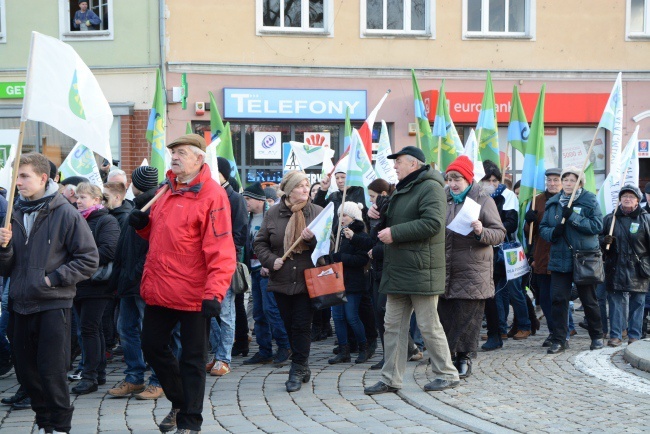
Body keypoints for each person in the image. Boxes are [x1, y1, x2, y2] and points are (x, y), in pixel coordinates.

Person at [130, 134, 236, 433]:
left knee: (192, 360)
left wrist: (215, 292)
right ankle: (179, 402)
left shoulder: (212, 195)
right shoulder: (166, 190)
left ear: (199, 159)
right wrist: (144, 227)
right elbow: (168, 238)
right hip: (161, 287)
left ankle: (190, 421)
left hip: (194, 292)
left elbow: (221, 248)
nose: (174, 156)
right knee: (151, 347)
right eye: (173, 152)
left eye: (181, 152)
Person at [0, 152, 99, 434]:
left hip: (52, 304)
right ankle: (45, 423)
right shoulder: (14, 212)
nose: (18, 182)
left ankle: (59, 426)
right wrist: (4, 248)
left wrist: (52, 279)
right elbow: (6, 268)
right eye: (16, 176)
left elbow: (89, 259)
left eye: (24, 176)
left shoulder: (64, 212)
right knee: (27, 374)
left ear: (43, 178)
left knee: (52, 372)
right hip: (20, 304)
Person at [363, 146, 459, 395]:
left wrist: (394, 233)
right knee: (392, 326)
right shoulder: (404, 187)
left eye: (399, 162)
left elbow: (433, 223)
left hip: (420, 269)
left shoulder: (430, 187)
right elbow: (397, 220)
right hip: (399, 268)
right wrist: (379, 214)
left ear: (414, 164)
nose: (394, 166)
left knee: (428, 325)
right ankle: (390, 378)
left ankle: (447, 373)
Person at [254, 170, 322, 393]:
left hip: (307, 279)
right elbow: (260, 243)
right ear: (289, 190)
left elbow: (328, 248)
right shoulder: (273, 213)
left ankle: (298, 367)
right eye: (300, 186)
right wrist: (270, 260)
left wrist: (313, 241)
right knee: (287, 324)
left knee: (302, 325)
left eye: (307, 185)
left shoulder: (318, 212)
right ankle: (302, 363)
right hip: (281, 278)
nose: (305, 189)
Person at [441, 156, 506, 379]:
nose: (453, 183)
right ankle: (447, 356)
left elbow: (499, 233)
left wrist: (480, 231)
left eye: (457, 178)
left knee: (467, 316)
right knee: (446, 314)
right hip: (447, 267)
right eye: (449, 178)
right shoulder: (444, 197)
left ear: (468, 178)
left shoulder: (483, 199)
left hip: (473, 269)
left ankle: (464, 357)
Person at [107, 166, 165, 400]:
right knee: (127, 328)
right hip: (129, 280)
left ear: (134, 183)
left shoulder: (157, 206)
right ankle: (134, 377)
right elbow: (124, 247)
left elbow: (154, 247)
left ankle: (159, 379)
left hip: (145, 280)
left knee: (152, 333)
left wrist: (136, 274)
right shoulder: (136, 206)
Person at [539, 166, 604, 354]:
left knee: (589, 300)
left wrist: (573, 217)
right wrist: (554, 232)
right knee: (558, 299)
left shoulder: (589, 199)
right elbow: (543, 228)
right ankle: (560, 339)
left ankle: (596, 336)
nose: (568, 183)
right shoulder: (553, 202)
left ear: (580, 183)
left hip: (583, 258)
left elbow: (596, 226)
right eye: (565, 179)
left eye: (572, 180)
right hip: (560, 258)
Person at [70, 183, 120, 395]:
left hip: (98, 285)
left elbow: (109, 250)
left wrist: (79, 259)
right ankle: (98, 373)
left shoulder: (106, 220)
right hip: (79, 283)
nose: (78, 201)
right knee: (93, 329)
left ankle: (89, 376)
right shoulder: (77, 220)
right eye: (77, 198)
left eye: (83, 197)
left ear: (97, 200)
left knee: (89, 329)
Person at [480, 160, 532, 351]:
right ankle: (500, 327)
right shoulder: (480, 195)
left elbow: (511, 222)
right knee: (495, 292)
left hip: (508, 248)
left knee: (514, 290)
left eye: (495, 180)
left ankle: (525, 325)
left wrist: (493, 228)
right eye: (488, 180)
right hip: (489, 247)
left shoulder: (507, 195)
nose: (492, 183)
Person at [205, 158, 248, 377]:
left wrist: (224, 252)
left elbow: (240, 233)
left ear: (222, 174)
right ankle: (216, 354)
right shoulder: (206, 194)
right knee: (210, 312)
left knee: (226, 312)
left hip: (225, 262)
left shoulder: (235, 198)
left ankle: (224, 358)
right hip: (206, 263)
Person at [241, 182, 291, 365]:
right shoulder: (247, 218)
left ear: (260, 200)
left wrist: (268, 263)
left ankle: (285, 346)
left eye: (248, 199)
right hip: (253, 270)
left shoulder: (271, 217)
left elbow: (278, 243)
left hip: (268, 271)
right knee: (258, 312)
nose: (245, 202)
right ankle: (264, 350)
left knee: (271, 310)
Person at [524, 168, 571, 347]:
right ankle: (553, 332)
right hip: (542, 257)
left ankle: (562, 334)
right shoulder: (538, 200)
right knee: (544, 298)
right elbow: (531, 234)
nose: (552, 183)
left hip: (562, 256)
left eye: (555, 180)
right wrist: (529, 221)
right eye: (549, 180)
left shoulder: (568, 199)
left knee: (559, 298)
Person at [601, 185, 650, 346]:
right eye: (624, 196)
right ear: (620, 199)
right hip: (616, 266)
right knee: (615, 303)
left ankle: (634, 335)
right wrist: (604, 241)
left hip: (638, 268)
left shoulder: (646, 219)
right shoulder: (610, 218)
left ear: (637, 200)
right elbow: (599, 241)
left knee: (638, 303)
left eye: (631, 196)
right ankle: (615, 335)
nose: (627, 199)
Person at [329, 202, 371, 365]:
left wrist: (341, 258)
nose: (341, 218)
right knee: (338, 317)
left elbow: (362, 260)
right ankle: (344, 350)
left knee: (352, 316)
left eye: (344, 215)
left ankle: (363, 347)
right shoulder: (338, 233)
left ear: (353, 218)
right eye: (339, 215)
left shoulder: (361, 235)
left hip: (353, 282)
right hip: (337, 281)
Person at [366, 178, 395, 370]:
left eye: (373, 197)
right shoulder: (376, 214)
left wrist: (375, 251)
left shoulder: (392, 211)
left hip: (390, 269)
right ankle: (389, 354)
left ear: (383, 195)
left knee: (386, 313)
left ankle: (395, 354)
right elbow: (371, 239)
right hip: (376, 270)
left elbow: (393, 243)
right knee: (378, 313)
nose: (371, 201)